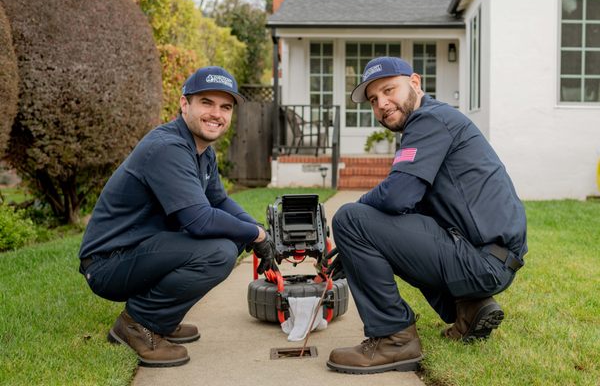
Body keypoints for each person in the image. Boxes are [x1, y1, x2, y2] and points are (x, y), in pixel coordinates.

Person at [325, 57, 527, 374]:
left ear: (415, 82)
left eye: (388, 89)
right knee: (378, 224)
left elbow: (396, 196)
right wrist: (357, 251)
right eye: (374, 100)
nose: (381, 104)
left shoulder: (430, 120)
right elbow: (407, 209)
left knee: (349, 218)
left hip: (484, 261)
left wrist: (359, 223)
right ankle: (470, 308)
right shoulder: (435, 121)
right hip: (491, 257)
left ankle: (394, 338)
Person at [78, 66, 276, 367]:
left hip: (141, 249)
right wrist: (257, 236)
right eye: (206, 103)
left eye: (225, 107)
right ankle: (137, 324)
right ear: (185, 104)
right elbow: (199, 220)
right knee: (220, 250)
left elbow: (218, 200)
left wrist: (255, 227)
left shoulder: (201, 151)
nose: (216, 114)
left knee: (231, 239)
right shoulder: (168, 148)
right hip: (108, 262)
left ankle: (162, 318)